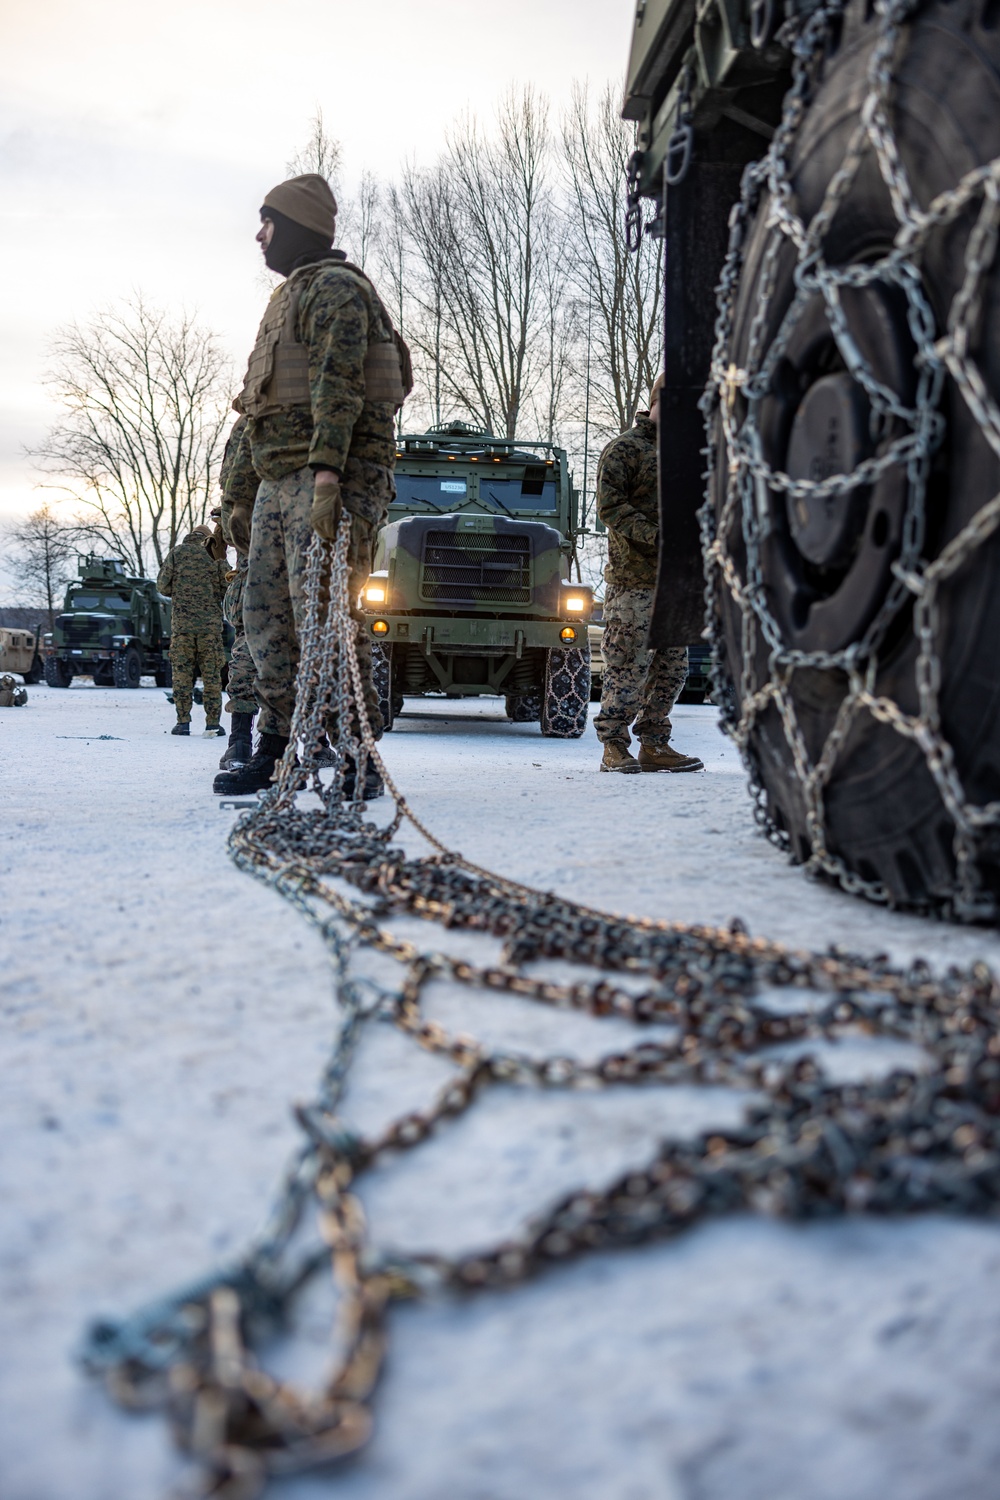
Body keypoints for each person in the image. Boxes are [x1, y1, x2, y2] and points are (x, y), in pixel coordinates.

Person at [213, 172, 407, 797]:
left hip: (332, 480)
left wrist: (328, 475)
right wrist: (240, 495)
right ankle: (277, 750)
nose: (258, 234)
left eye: (267, 222)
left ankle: (356, 756)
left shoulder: (335, 290)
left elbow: (339, 381)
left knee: (326, 622)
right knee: (266, 622)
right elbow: (258, 407)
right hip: (280, 480)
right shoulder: (286, 298)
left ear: (295, 226)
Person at [593, 376, 704, 774]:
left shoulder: (690, 455)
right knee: (628, 665)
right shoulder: (626, 449)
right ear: (656, 402)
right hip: (634, 581)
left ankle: (654, 744)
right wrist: (658, 537)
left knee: (673, 669)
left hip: (678, 582)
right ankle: (614, 746)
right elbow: (610, 507)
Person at [156, 525, 229, 738]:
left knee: (181, 675)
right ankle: (212, 724)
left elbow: (162, 586)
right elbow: (228, 587)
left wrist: (179, 589)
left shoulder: (177, 553)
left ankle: (182, 723)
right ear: (208, 538)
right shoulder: (215, 555)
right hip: (209, 629)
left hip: (182, 628)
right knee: (212, 677)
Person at [214, 420, 256, 771]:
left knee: (250, 643)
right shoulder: (327, 403)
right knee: (310, 647)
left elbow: (233, 484)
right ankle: (316, 743)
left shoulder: (252, 421)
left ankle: (240, 743)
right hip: (312, 545)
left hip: (256, 550)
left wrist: (230, 525)